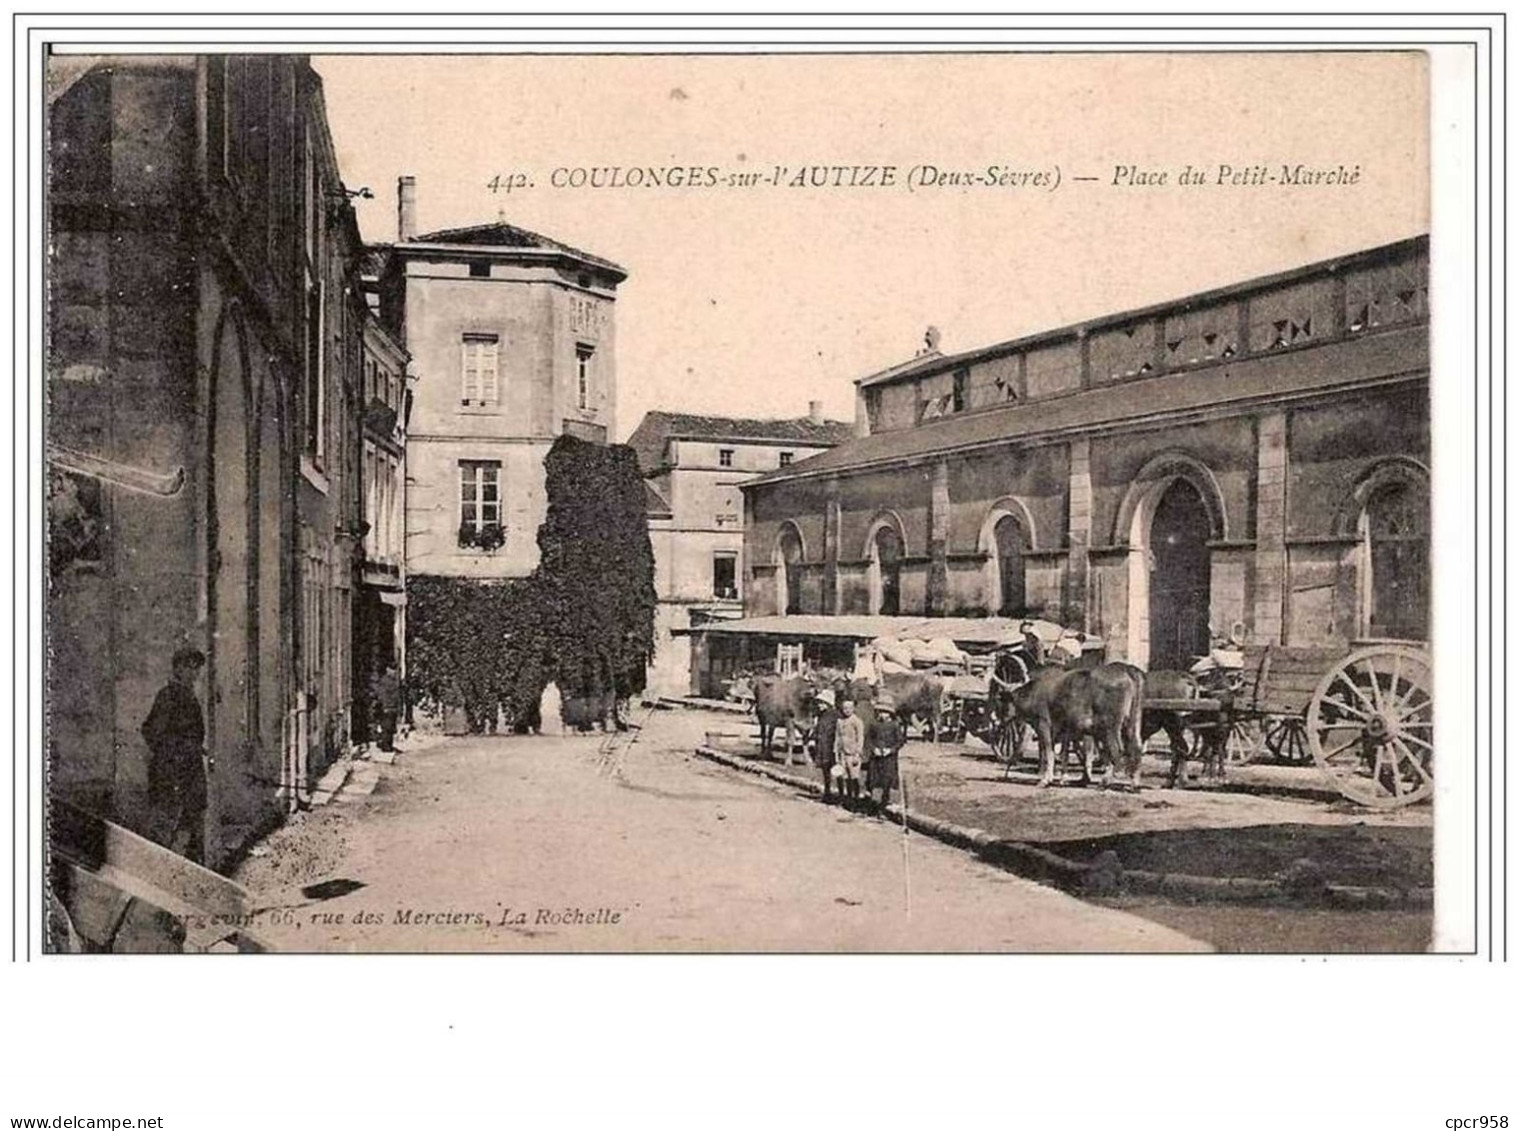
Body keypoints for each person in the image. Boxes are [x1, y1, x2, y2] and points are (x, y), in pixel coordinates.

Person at [140, 646, 210, 865]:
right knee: (168, 827)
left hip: (190, 771)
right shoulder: (169, 696)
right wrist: (179, 753)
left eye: (197, 669)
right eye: (191, 668)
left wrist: (194, 747)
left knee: (192, 823)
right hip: (173, 774)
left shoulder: (187, 695)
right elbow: (152, 733)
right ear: (178, 669)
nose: (195, 674)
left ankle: (188, 873)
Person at [865, 694, 905, 817]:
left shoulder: (895, 725)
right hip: (876, 758)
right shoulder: (874, 724)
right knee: (874, 781)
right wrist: (873, 749)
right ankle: (873, 806)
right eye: (880, 712)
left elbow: (900, 741)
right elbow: (868, 740)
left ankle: (884, 805)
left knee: (887, 782)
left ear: (890, 714)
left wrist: (891, 750)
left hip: (889, 759)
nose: (882, 715)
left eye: (885, 712)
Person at [834, 697, 866, 811]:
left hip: (852, 754)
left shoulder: (857, 721)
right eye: (844, 708)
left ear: (854, 708)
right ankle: (847, 799)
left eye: (849, 708)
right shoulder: (839, 721)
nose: (847, 710)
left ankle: (855, 801)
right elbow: (837, 737)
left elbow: (860, 738)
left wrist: (858, 753)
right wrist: (836, 753)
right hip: (843, 753)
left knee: (854, 778)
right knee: (844, 777)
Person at [810, 690, 840, 804]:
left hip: (831, 746)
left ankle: (840, 794)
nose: (820, 705)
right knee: (825, 770)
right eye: (819, 703)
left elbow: (838, 732)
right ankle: (827, 792)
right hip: (822, 745)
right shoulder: (821, 715)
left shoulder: (835, 715)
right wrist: (813, 738)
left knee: (836, 770)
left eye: (822, 703)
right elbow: (818, 728)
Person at [371, 664, 402, 752]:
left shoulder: (394, 681)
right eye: (392, 670)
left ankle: (389, 745)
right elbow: (382, 695)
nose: (394, 672)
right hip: (387, 708)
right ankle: (385, 747)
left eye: (395, 670)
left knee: (391, 729)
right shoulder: (385, 681)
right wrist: (385, 706)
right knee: (386, 728)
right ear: (388, 669)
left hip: (393, 708)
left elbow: (397, 696)